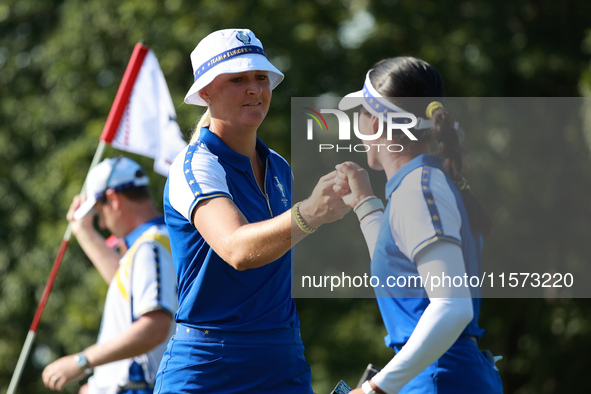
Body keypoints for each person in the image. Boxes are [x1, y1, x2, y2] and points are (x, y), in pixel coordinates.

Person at [154, 28, 349, 394]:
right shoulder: (195, 163)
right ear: (206, 91)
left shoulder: (277, 165)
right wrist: (311, 212)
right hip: (210, 363)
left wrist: (326, 212)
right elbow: (238, 250)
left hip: (281, 355)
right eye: (238, 79)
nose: (254, 89)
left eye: (261, 77)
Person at [332, 57, 503, 393]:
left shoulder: (418, 189)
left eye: (361, 115)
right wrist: (366, 206)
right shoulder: (423, 184)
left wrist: (373, 389)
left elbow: (451, 307)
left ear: (377, 124)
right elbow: (403, 275)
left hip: (439, 379)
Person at [42, 156, 177, 394]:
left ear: (113, 199)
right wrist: (83, 232)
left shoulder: (150, 247)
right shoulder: (153, 243)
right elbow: (122, 285)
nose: (102, 223)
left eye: (98, 212)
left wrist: (81, 362)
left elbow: (155, 327)